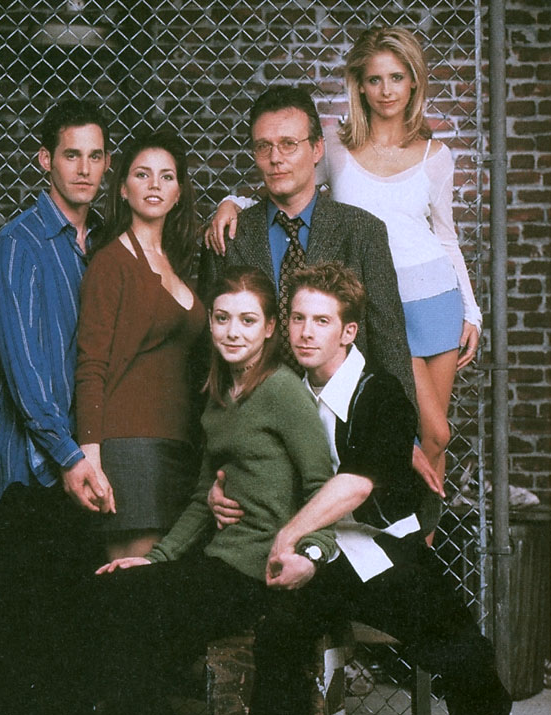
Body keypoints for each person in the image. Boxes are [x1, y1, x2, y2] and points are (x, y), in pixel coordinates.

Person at [240, 262, 524, 715]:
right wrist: (229, 495)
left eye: (322, 321)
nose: (306, 332)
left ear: (348, 332)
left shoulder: (382, 393)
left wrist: (288, 534)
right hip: (316, 554)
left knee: (461, 649)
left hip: (380, 547)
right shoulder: (280, 388)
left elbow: (359, 485)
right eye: (298, 319)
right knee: (278, 637)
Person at [84, 266, 337, 715]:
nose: (232, 331)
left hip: (260, 571)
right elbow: (204, 495)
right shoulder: (221, 394)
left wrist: (309, 554)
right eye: (222, 318)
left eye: (247, 320)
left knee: (135, 610)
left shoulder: (282, 391)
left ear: (270, 328)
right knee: (114, 589)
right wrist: (155, 559)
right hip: (222, 562)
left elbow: (322, 484)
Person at [207, 28, 482, 515]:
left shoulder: (433, 159)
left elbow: (445, 236)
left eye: (397, 77)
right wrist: (233, 201)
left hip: (429, 297)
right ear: (360, 85)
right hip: (350, 314)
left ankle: (417, 531)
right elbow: (285, 178)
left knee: (433, 435)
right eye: (375, 79)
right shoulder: (335, 148)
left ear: (414, 82)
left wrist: (472, 311)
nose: (387, 90)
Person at [0, 98, 112, 715]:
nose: (83, 168)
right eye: (70, 154)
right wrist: (67, 455)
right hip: (39, 469)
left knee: (71, 625)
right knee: (29, 629)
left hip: (88, 467)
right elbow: (27, 372)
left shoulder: (104, 242)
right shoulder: (18, 243)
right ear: (44, 160)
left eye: (95, 155)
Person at [75, 129, 206, 562]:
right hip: (130, 446)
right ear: (123, 188)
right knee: (135, 585)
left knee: (164, 583)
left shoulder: (175, 261)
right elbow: (91, 363)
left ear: (178, 193)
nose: (154, 185)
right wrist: (90, 457)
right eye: (142, 174)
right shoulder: (111, 263)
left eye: (166, 176)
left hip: (178, 444)